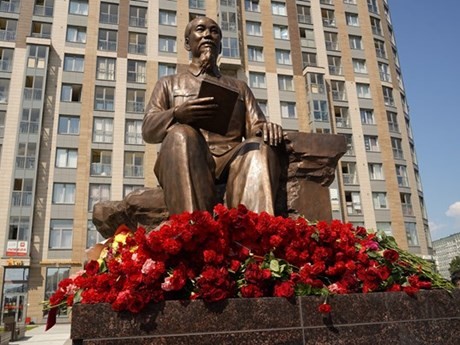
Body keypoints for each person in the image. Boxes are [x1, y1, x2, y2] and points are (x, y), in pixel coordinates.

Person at [142, 16, 283, 215]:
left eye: (214, 31)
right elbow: (149, 129)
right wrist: (177, 114)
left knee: (259, 147)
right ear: (187, 43)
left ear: (221, 45)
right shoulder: (169, 83)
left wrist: (267, 128)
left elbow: (256, 127)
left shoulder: (239, 87)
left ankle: (253, 236)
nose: (208, 34)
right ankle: (194, 232)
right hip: (188, 155)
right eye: (201, 29)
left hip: (230, 158)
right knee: (181, 134)